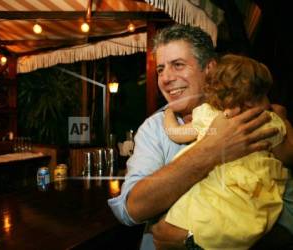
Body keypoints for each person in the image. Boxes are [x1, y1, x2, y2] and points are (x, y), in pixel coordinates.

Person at [108, 24, 293, 250]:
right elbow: (131, 209)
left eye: (178, 65)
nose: (165, 78)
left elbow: (287, 214)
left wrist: (192, 241)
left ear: (210, 69)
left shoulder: (255, 115)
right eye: (160, 69)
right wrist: (212, 150)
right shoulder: (154, 128)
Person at [163, 54, 289, 249]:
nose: (268, 101)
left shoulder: (208, 115)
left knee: (200, 210)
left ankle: (199, 238)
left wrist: (168, 112)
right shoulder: (266, 121)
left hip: (214, 183)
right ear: (250, 98)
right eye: (265, 95)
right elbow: (286, 153)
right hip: (251, 190)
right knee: (241, 219)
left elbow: (175, 133)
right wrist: (283, 117)